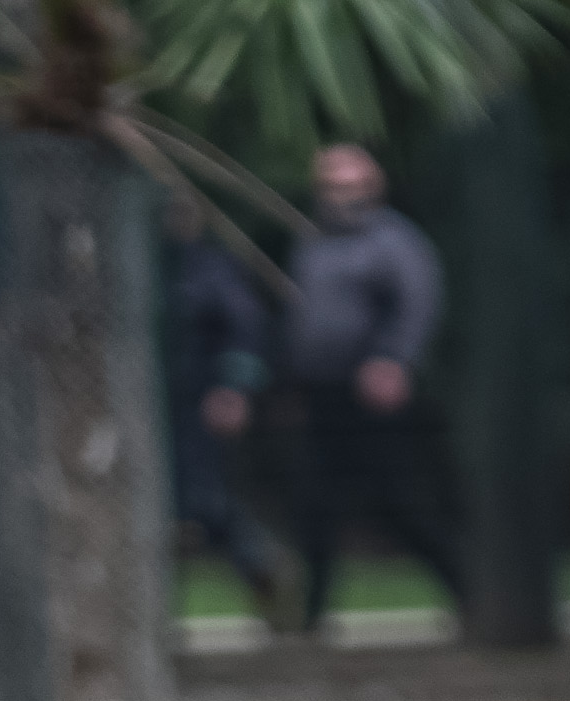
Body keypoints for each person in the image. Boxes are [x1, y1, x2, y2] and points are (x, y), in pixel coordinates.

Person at [279, 142, 466, 632]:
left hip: (374, 392)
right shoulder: (313, 242)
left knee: (398, 499)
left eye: (352, 186)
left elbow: (418, 305)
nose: (341, 197)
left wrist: (392, 362)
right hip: (322, 392)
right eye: (332, 186)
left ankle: (468, 591)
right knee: (314, 503)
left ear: (373, 188)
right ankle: (312, 614)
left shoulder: (394, 242)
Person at [165, 199, 289, 617]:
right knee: (175, 504)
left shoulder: (211, 268)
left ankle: (261, 564)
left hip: (199, 403)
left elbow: (245, 329)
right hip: (159, 407)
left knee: (202, 502)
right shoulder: (150, 266)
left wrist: (234, 387)